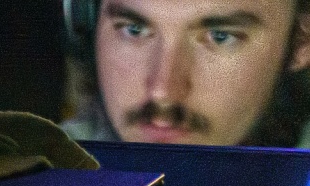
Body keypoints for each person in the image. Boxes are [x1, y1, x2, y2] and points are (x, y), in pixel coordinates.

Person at [66, 0, 310, 145]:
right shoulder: (46, 177)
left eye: (220, 36)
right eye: (134, 29)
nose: (163, 92)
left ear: (301, 41)